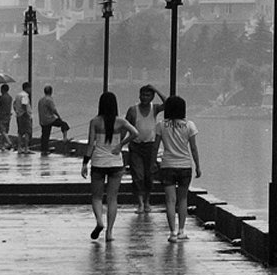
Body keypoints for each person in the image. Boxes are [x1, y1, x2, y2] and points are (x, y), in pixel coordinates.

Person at [82, 91, 130, 241]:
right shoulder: (120, 121)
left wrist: (85, 163)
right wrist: (121, 145)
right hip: (116, 163)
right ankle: (109, 233)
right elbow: (135, 132)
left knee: (96, 197)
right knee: (112, 198)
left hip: (98, 163)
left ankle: (99, 222)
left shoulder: (95, 122)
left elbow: (90, 144)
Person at [155, 94, 202, 243]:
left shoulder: (161, 125)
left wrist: (153, 163)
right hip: (184, 167)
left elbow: (155, 147)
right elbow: (194, 148)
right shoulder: (189, 125)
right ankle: (182, 231)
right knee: (182, 199)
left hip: (167, 165)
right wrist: (198, 166)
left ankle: (172, 233)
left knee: (170, 200)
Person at [124, 85, 162, 215]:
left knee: (149, 175)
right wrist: (119, 144)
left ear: (152, 97)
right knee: (138, 175)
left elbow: (168, 103)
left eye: (148, 95)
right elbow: (126, 127)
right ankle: (140, 203)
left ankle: (147, 202)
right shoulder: (133, 110)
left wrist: (156, 89)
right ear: (139, 95)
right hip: (136, 146)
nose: (144, 98)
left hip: (150, 147)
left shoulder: (154, 108)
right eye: (143, 95)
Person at [36, 85, 71, 150]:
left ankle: (44, 150)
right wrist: (59, 117)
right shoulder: (49, 100)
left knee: (45, 136)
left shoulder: (41, 100)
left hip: (42, 121)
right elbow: (53, 110)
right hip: (50, 120)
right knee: (64, 124)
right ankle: (65, 138)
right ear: (51, 92)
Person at [0, 83, 13, 151]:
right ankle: (2, 145)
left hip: (1, 116)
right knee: (5, 131)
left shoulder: (1, 97)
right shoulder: (10, 98)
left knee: (3, 131)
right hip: (8, 116)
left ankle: (9, 142)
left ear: (3, 90)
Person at [15, 82, 33, 152]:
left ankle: (19, 148)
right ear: (27, 88)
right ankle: (26, 148)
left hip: (19, 115)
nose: (31, 89)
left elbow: (14, 104)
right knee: (27, 132)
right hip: (24, 116)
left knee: (20, 132)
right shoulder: (25, 95)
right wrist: (27, 114)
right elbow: (24, 105)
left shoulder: (18, 95)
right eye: (30, 88)